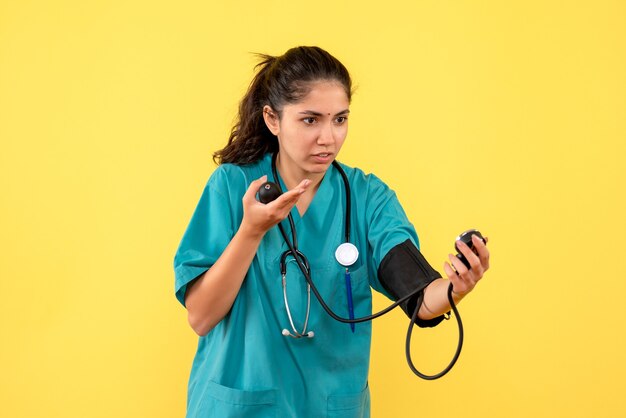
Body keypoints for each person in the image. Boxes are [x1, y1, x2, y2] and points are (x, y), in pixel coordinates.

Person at [173, 46, 490, 418]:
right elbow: (201, 317)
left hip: (331, 408)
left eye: (340, 119)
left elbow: (419, 298)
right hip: (242, 407)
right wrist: (251, 231)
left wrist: (456, 286)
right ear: (273, 119)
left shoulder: (368, 198)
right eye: (311, 120)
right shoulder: (233, 186)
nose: (329, 138)